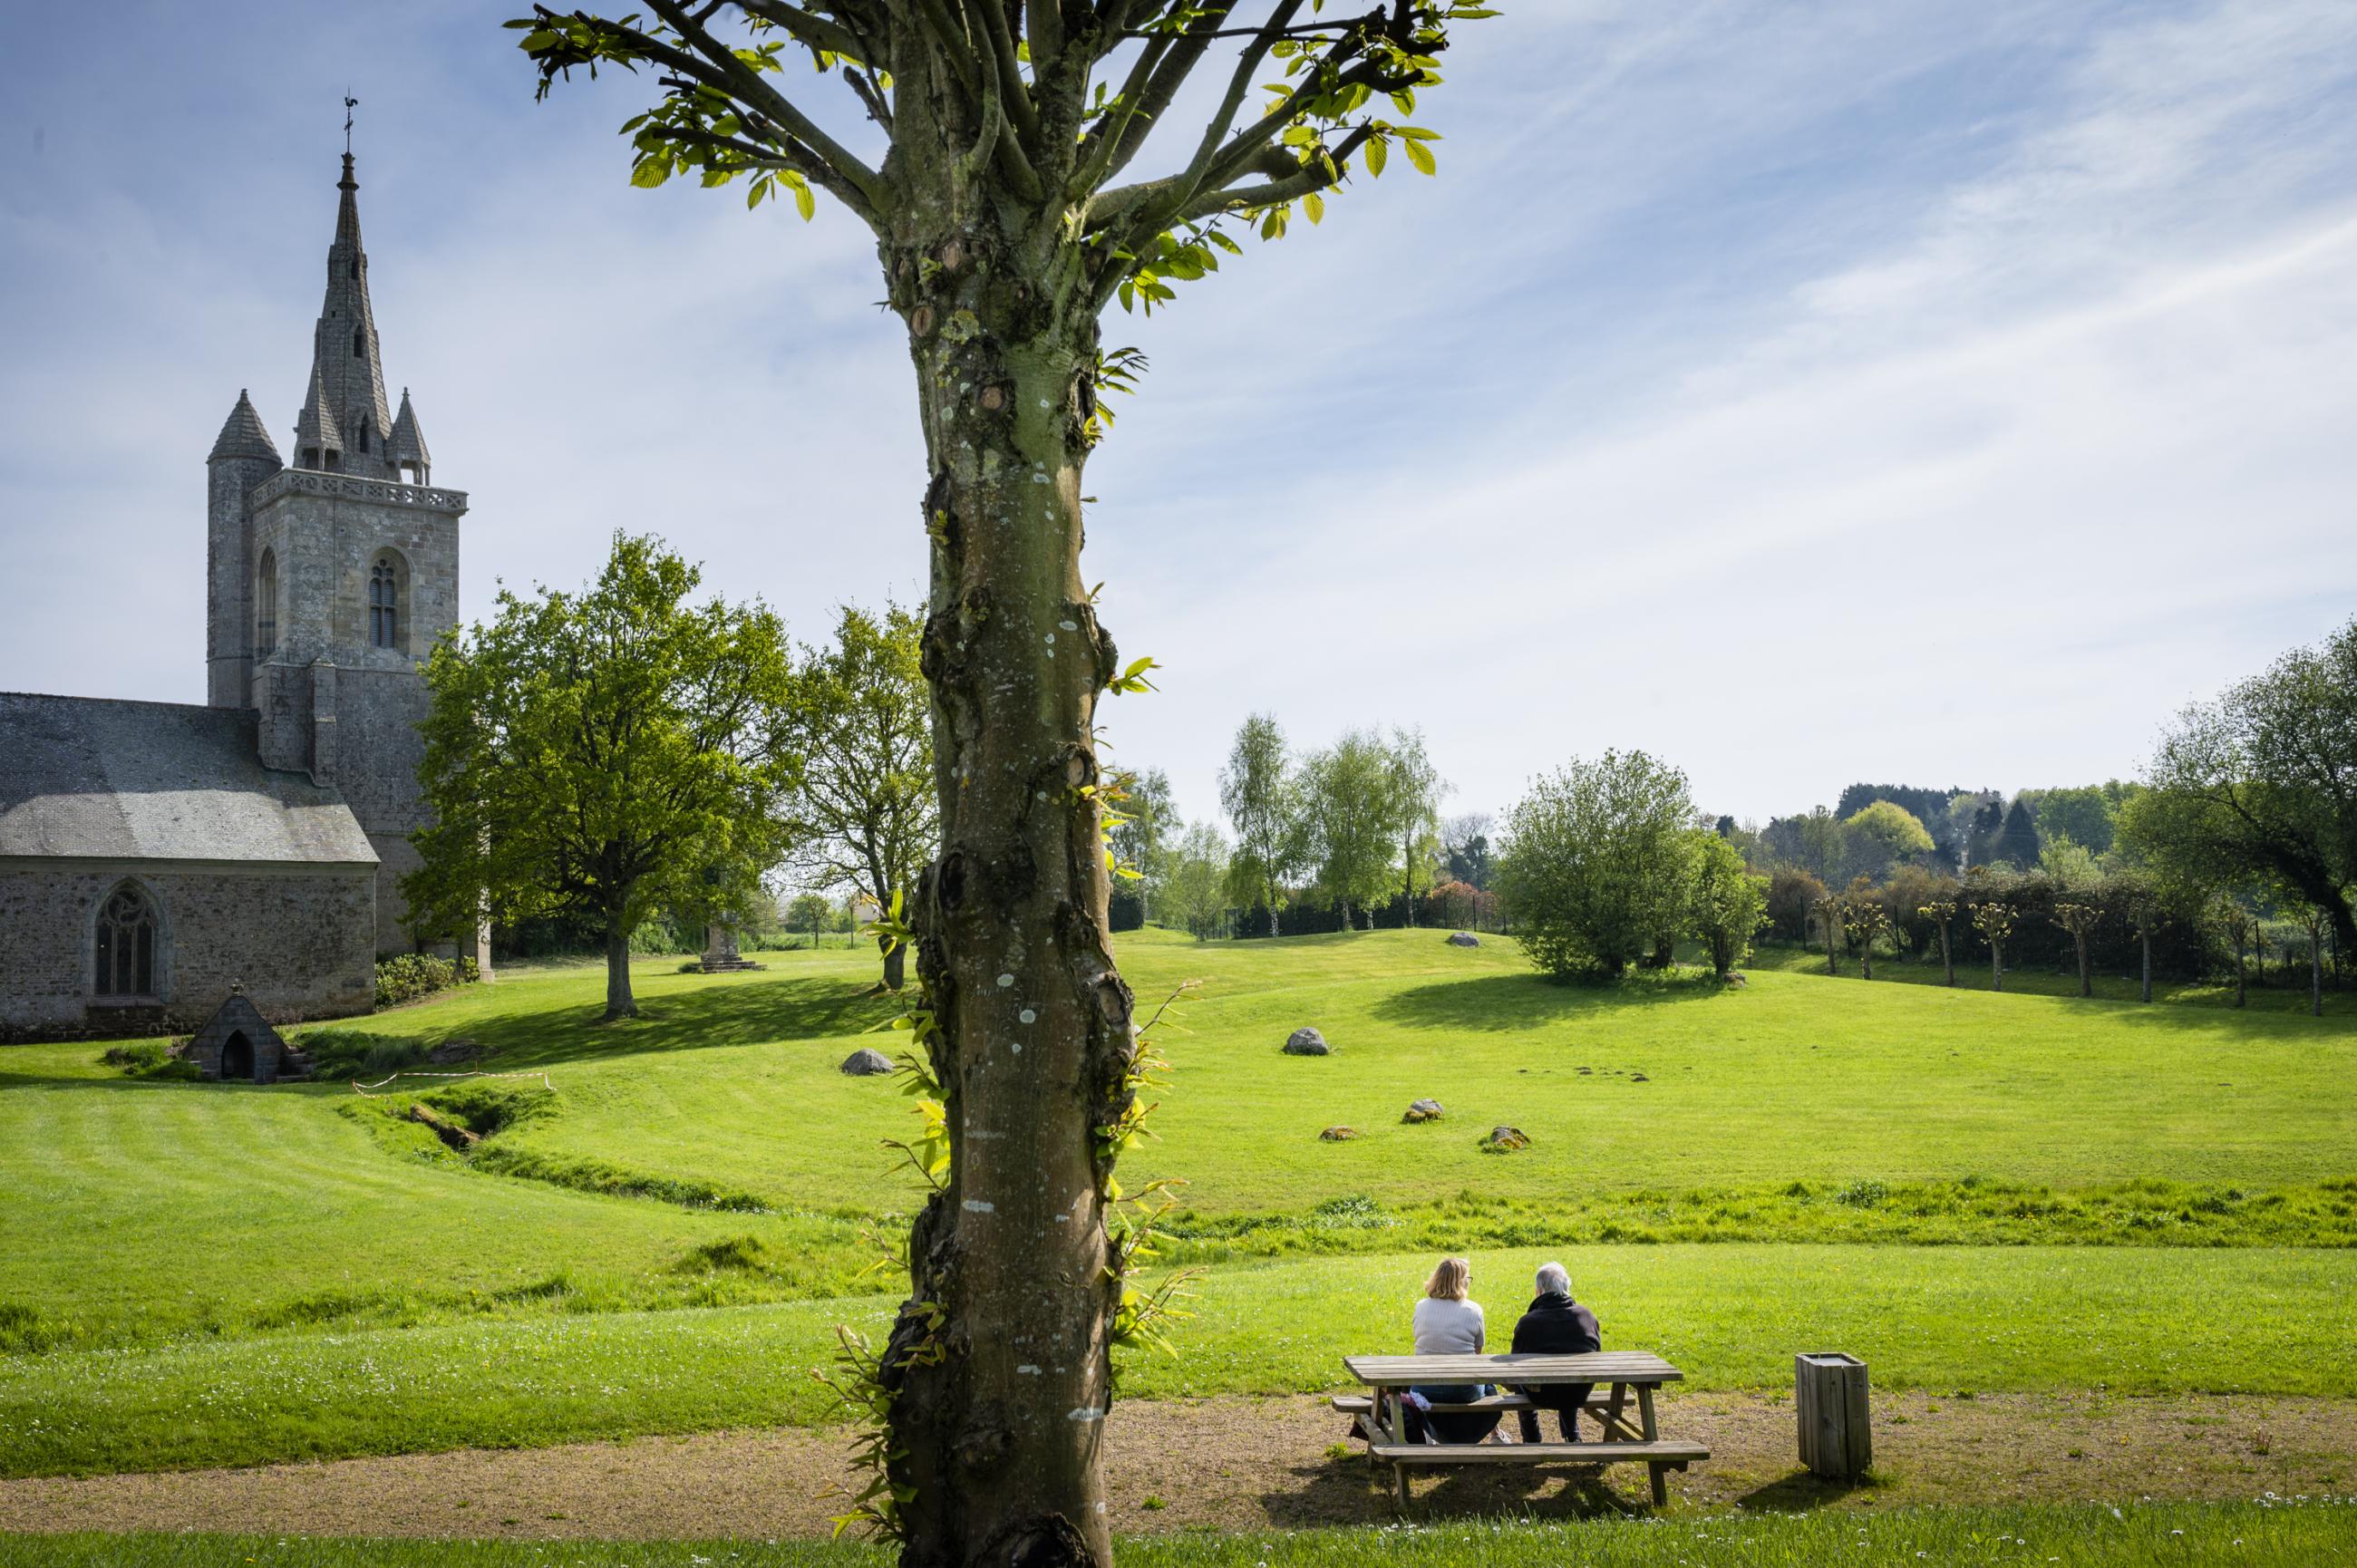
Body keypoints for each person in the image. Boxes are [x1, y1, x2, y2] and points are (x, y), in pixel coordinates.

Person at [1405, 1256, 1500, 1444]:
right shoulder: (1473, 1310)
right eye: (1468, 1278)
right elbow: (1477, 1353)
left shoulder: (1421, 1307)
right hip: (1462, 1389)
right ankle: (1495, 1435)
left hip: (1423, 1386)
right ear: (1460, 1281)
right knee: (1489, 1387)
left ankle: (1432, 1433)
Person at [1508, 1261, 1601, 1443]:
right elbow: (1597, 1352)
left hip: (1540, 1393)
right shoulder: (1587, 1317)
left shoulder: (1528, 1322)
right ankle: (1572, 1435)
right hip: (1579, 1391)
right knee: (1570, 1375)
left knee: (1522, 1382)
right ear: (1567, 1287)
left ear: (1539, 1290)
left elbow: (1514, 1362)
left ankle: (1531, 1438)